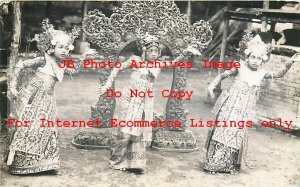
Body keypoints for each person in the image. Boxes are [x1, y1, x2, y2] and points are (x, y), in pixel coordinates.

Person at [99, 33, 200, 173]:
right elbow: (117, 68)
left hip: (144, 101)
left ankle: (135, 162)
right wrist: (107, 85)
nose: (154, 54)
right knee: (125, 131)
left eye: (156, 51)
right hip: (129, 98)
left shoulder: (157, 64)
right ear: (144, 51)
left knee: (138, 130)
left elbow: (173, 63)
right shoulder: (135, 60)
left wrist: (186, 52)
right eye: (151, 51)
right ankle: (116, 160)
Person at [6, 19, 96, 174]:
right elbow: (21, 65)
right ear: (52, 47)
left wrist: (83, 57)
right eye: (60, 47)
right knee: (27, 128)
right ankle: (21, 165)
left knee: (47, 128)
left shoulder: (61, 65)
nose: (64, 51)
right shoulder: (43, 60)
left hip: (47, 101)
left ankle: (47, 163)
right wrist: (13, 87)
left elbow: (74, 72)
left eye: (67, 48)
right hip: (31, 97)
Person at [204, 32, 300, 174]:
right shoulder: (239, 67)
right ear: (247, 57)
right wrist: (211, 86)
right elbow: (222, 75)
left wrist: (291, 61)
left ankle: (227, 165)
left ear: (263, 60)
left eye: (259, 58)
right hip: (229, 108)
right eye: (253, 57)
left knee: (236, 134)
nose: (255, 61)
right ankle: (213, 163)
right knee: (222, 132)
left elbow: (279, 74)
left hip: (243, 112)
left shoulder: (262, 74)